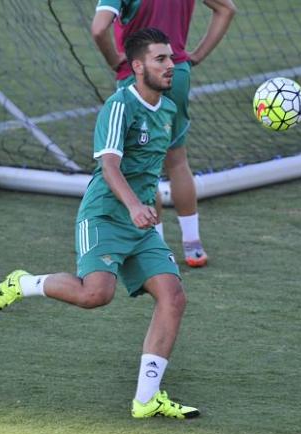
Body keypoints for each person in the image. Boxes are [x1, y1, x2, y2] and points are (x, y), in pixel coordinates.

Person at [0, 28, 199, 420]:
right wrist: (133, 207)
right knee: (95, 295)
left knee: (174, 296)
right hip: (104, 215)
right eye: (161, 60)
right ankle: (22, 283)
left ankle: (146, 399)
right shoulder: (120, 107)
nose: (171, 66)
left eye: (171, 58)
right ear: (137, 67)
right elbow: (109, 164)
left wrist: (154, 222)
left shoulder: (167, 109)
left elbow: (150, 173)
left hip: (141, 222)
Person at [91, 0, 237, 268]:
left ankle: (155, 246)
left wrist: (114, 59)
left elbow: (99, 28)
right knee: (178, 160)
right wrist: (196, 55)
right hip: (176, 72)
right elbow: (227, 9)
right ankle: (193, 246)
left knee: (143, 166)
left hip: (139, 78)